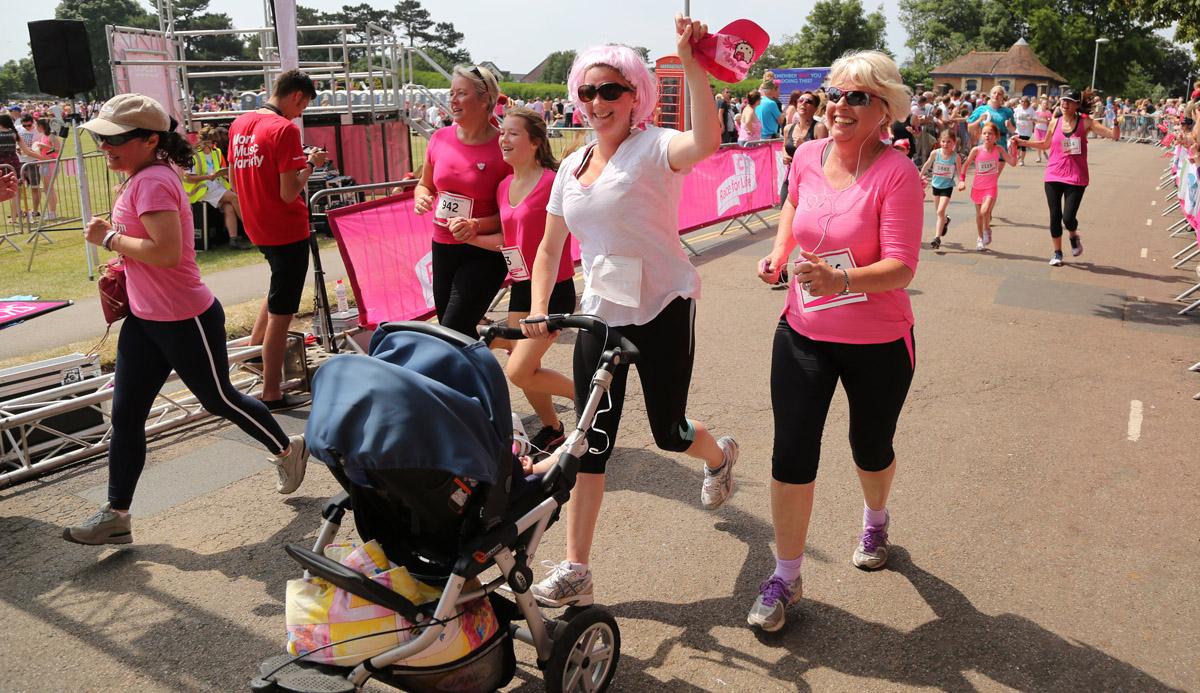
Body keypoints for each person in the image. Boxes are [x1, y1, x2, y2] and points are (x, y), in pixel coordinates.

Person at [520, 17, 739, 607]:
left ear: (636, 94)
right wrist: (542, 308)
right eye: (588, 91)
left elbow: (707, 142)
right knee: (591, 445)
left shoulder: (655, 147)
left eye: (611, 90)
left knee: (670, 433)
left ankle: (719, 456)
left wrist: (692, 63)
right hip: (600, 318)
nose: (597, 102)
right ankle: (575, 567)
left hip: (663, 306)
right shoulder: (571, 166)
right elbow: (547, 250)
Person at [62, 94, 308, 546]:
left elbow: (166, 252)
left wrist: (109, 239)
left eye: (114, 138)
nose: (103, 145)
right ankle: (117, 515)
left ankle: (288, 450)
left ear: (149, 140)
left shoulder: (153, 181)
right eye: (100, 136)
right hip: (145, 318)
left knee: (219, 399)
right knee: (127, 414)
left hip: (184, 317)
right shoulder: (139, 176)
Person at [751, 50, 922, 633]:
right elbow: (795, 204)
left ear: (885, 111)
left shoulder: (897, 174)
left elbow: (901, 267)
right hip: (803, 329)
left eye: (858, 97)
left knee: (869, 448)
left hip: (877, 340)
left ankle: (876, 517)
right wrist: (779, 253)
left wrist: (842, 279)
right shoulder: (804, 154)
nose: (840, 106)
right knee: (791, 451)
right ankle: (786, 574)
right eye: (835, 94)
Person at [229, 69, 327, 410]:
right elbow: (289, 193)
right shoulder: (284, 129)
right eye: (303, 108)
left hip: (258, 226)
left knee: (277, 291)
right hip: (286, 229)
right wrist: (311, 166)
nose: (300, 115)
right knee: (283, 312)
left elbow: (233, 178)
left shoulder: (239, 123)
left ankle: (254, 352)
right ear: (298, 96)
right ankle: (271, 390)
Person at [491, 108, 576, 455]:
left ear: (536, 142)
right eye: (502, 133)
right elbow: (507, 238)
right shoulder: (502, 186)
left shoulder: (554, 182)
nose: (504, 140)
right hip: (521, 286)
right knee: (527, 367)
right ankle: (553, 428)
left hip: (554, 288)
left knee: (518, 370)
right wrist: (467, 235)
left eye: (513, 133)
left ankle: (590, 395)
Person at [412, 64, 512, 337]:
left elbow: (513, 213)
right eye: (451, 93)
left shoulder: (504, 147)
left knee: (452, 329)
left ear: (484, 99)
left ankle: (467, 373)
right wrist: (421, 198)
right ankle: (491, 355)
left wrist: (476, 225)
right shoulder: (439, 138)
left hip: (485, 252)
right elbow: (424, 184)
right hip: (443, 245)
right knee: (454, 330)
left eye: (461, 94)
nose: (452, 100)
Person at [1014, 88, 1119, 266]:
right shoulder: (1055, 122)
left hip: (1076, 177)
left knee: (1068, 218)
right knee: (1055, 216)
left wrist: (1116, 121)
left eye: (1069, 101)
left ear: (1077, 104)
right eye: (1063, 100)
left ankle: (1073, 234)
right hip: (1053, 174)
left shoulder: (1086, 123)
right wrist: (1022, 142)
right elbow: (1045, 144)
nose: (1064, 104)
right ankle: (1057, 253)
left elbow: (1114, 136)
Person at [182, 130, 250, 249]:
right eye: (206, 142)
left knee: (229, 207)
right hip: (201, 190)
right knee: (235, 198)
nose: (208, 145)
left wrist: (225, 174)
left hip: (217, 186)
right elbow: (187, 177)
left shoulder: (217, 152)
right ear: (200, 141)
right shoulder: (193, 155)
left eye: (211, 142)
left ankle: (233, 240)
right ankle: (251, 230)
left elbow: (223, 170)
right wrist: (208, 177)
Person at [959, 122, 1017, 251]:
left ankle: (987, 229)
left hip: (991, 187)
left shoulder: (999, 149)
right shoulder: (976, 150)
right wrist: (962, 180)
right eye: (984, 133)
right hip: (977, 187)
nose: (987, 136)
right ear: (981, 136)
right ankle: (980, 238)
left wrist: (1014, 149)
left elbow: (1012, 163)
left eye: (990, 133)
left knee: (984, 211)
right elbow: (966, 165)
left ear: (996, 136)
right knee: (979, 215)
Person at [780, 91, 828, 201]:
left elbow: (824, 157)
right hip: (791, 177)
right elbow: (784, 146)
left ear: (815, 108)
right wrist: (785, 155)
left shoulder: (819, 128)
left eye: (809, 102)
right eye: (801, 100)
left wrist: (805, 146)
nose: (803, 103)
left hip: (811, 180)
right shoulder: (788, 128)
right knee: (785, 212)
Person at [920, 129, 963, 249]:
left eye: (949, 142)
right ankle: (945, 221)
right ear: (940, 141)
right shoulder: (935, 153)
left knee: (940, 211)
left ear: (954, 143)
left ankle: (937, 238)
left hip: (947, 187)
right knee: (939, 213)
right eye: (943, 141)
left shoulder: (956, 157)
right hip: (935, 185)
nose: (945, 144)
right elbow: (928, 163)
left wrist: (961, 182)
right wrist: (920, 175)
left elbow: (960, 172)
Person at [31, 119, 59, 220]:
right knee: (47, 189)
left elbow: (57, 149)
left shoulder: (51, 136)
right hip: (44, 164)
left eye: (37, 126)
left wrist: (44, 146)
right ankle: (51, 211)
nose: (36, 128)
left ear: (41, 126)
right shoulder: (43, 136)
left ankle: (52, 213)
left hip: (50, 163)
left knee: (49, 188)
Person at [1013, 96, 1036, 165]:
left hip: (1027, 131)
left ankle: (1022, 160)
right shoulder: (1017, 109)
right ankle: (1018, 156)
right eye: (1022, 101)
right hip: (1018, 130)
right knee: (1017, 145)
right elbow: (1014, 117)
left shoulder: (1031, 110)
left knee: (1023, 146)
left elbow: (1035, 118)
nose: (1023, 103)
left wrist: (1031, 118)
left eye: (1025, 101)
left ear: (1027, 102)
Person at [1032, 97, 1052, 164]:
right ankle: (1039, 157)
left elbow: (1049, 121)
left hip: (1044, 130)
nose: (1044, 105)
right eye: (1043, 103)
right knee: (1038, 143)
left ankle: (1043, 151)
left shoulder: (1048, 112)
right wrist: (1039, 121)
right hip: (1037, 129)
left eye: (1046, 104)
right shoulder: (1037, 112)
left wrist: (1043, 120)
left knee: (1043, 143)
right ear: (1041, 104)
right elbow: (1034, 120)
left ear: (1047, 105)